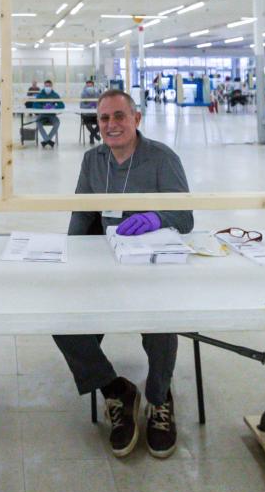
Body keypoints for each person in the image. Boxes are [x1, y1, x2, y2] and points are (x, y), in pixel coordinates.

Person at [53, 89, 193, 459]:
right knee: (62, 320)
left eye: (119, 116)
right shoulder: (93, 160)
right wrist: (71, 253)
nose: (111, 125)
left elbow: (186, 217)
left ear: (136, 119)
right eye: (104, 119)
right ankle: (115, 390)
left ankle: (160, 399)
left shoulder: (162, 159)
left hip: (151, 263)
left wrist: (156, 217)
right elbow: (82, 213)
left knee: (161, 319)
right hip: (105, 260)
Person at [33, 79, 64, 147]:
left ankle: (46, 140)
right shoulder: (40, 95)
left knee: (57, 123)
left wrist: (54, 107)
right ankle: (48, 140)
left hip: (52, 115)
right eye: (46, 86)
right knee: (38, 122)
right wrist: (43, 107)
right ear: (44, 86)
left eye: (49, 86)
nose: (48, 87)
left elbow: (62, 105)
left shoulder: (55, 95)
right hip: (42, 115)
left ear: (51, 86)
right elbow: (35, 105)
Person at [80, 78, 102, 144]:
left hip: (96, 114)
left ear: (93, 86)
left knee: (101, 123)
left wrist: (97, 105)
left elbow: (102, 104)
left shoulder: (97, 94)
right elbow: (81, 106)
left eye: (90, 86)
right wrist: (89, 105)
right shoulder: (83, 94)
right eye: (88, 86)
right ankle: (94, 135)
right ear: (85, 87)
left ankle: (92, 135)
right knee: (88, 123)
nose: (89, 87)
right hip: (87, 114)